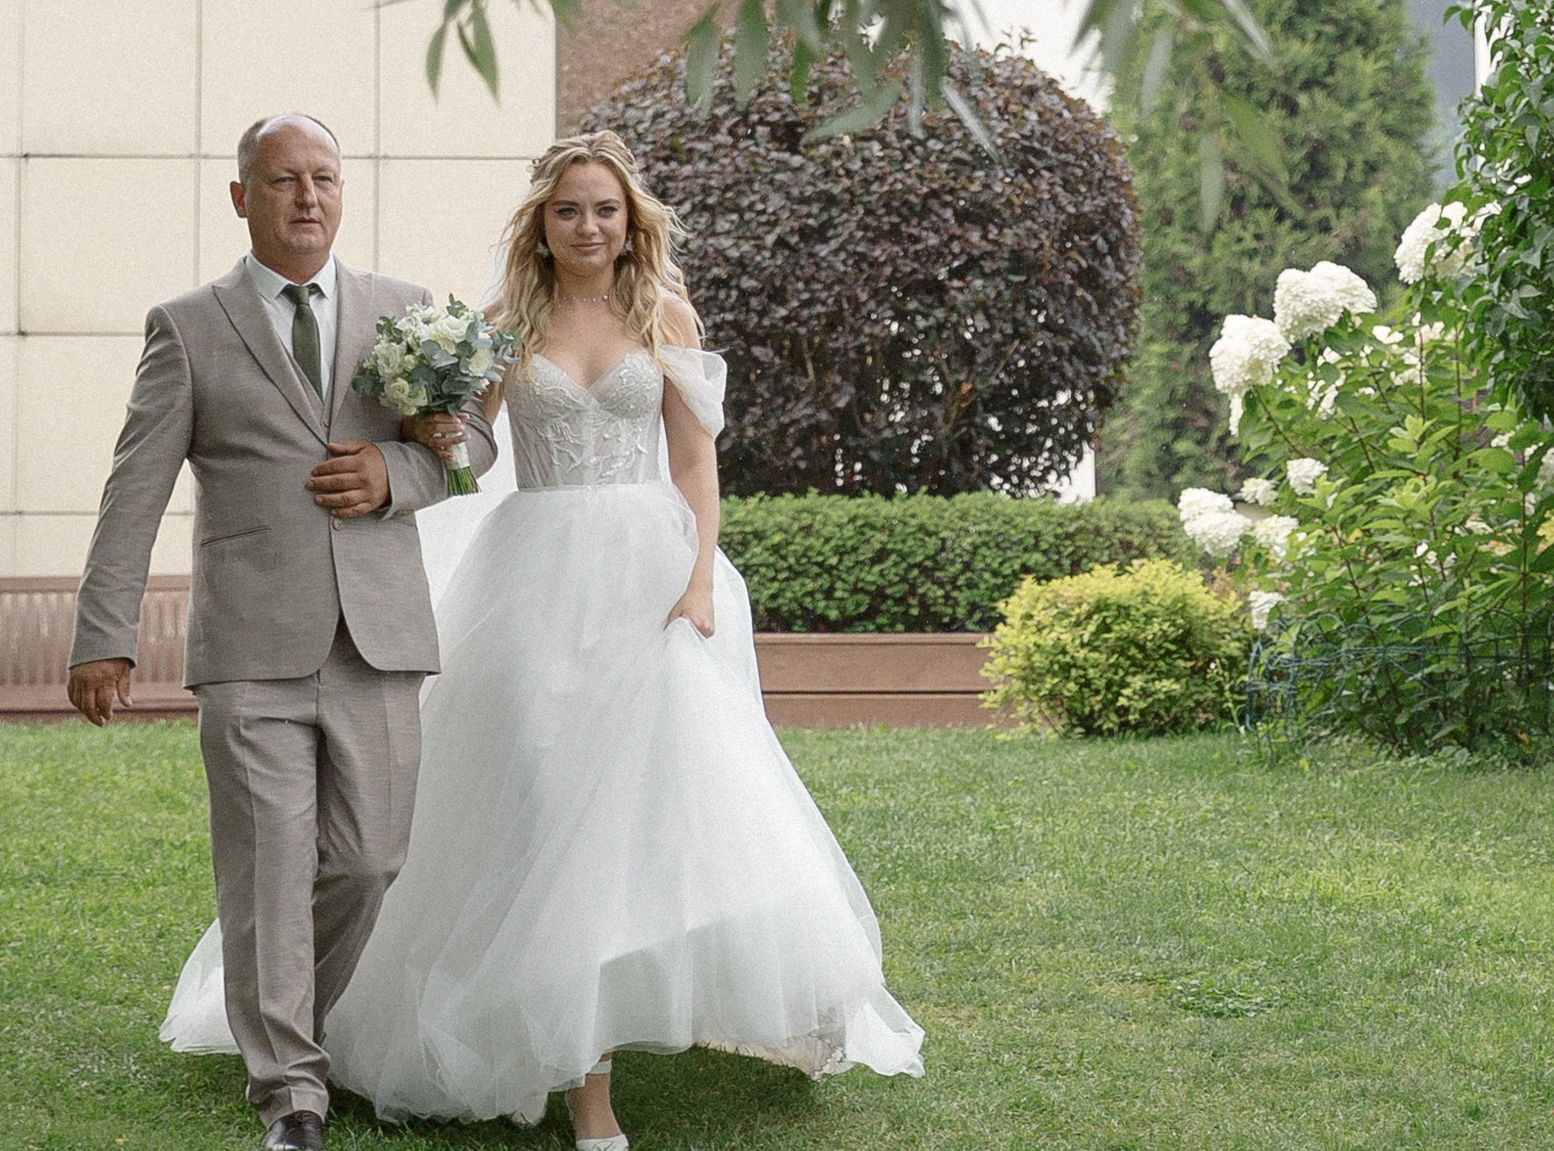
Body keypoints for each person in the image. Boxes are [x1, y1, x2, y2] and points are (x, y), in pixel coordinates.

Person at [165, 128, 924, 1148]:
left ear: (629, 219)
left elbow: (694, 462)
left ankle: (681, 1027)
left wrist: (699, 578)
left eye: (604, 208)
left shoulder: (665, 313)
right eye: (568, 208)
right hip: (534, 580)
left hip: (652, 580)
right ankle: (572, 1077)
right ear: (542, 220)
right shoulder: (501, 322)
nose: (587, 224)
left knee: (667, 814)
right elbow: (469, 449)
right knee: (542, 808)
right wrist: (434, 431)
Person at [69, 114, 493, 1151]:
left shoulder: (408, 313)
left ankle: (286, 1016)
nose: (307, 197)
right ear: (241, 197)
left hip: (380, 639)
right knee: (265, 865)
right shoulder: (189, 325)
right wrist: (103, 632)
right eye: (282, 180)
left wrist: (402, 471)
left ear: (343, 191)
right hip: (252, 645)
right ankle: (291, 1090)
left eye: (324, 178)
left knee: (368, 863)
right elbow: (137, 486)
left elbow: (472, 442)